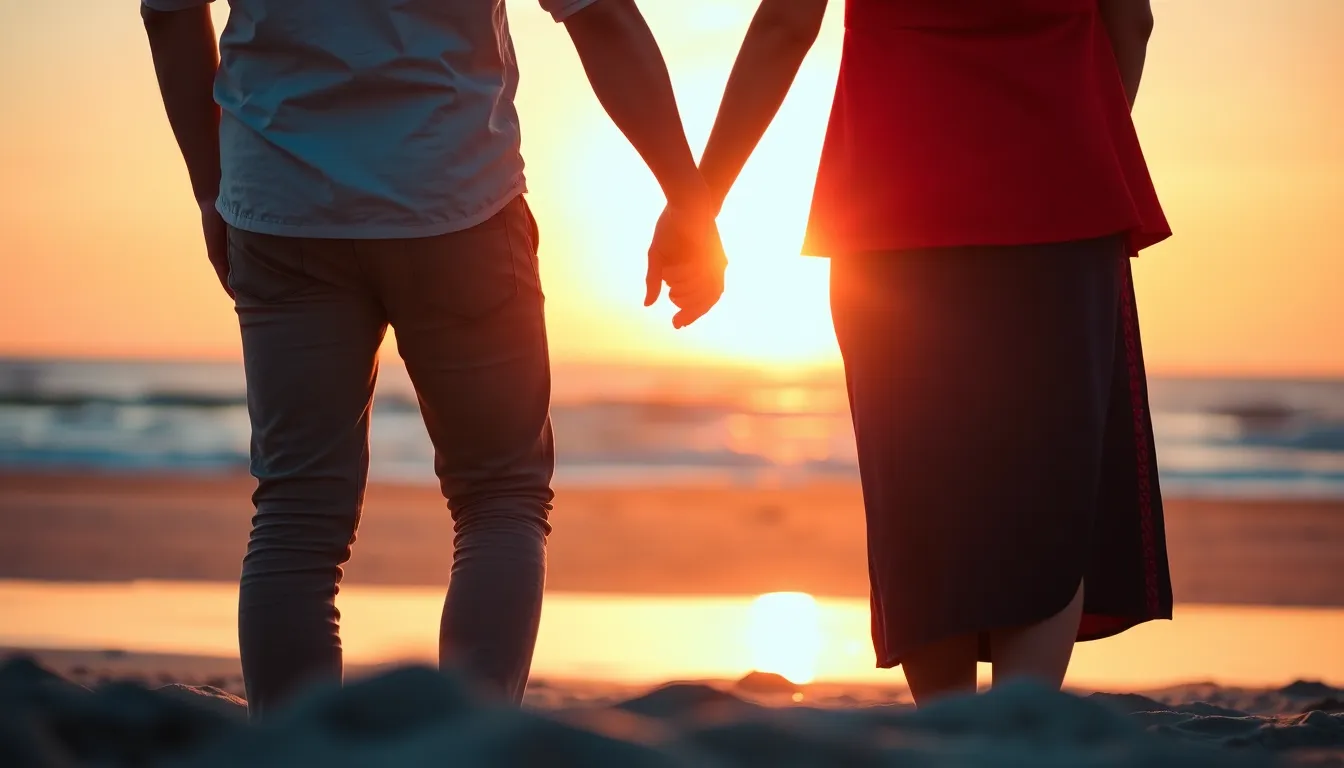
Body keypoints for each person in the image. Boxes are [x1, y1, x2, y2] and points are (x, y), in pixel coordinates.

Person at [141, 0, 726, 716]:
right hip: (458, 198)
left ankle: (292, 752)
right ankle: (470, 746)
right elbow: (598, 15)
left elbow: (169, 14)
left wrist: (212, 189)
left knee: (296, 514)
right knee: (499, 498)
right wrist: (689, 199)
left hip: (282, 201)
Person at [654, 0, 1174, 705]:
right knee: (1049, 496)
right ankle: (1019, 731)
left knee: (922, 498)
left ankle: (950, 728)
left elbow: (786, 23)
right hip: (1061, 192)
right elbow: (1130, 21)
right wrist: (1082, 130)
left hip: (893, 200)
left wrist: (699, 201)